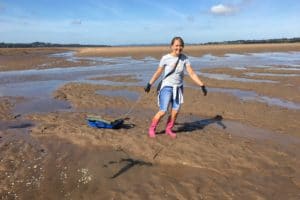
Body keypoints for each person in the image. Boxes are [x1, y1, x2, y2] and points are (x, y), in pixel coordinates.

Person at [144, 36, 207, 138]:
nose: (178, 48)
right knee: (163, 110)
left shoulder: (184, 58)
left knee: (175, 111)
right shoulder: (165, 58)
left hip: (178, 88)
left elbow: (191, 73)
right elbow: (158, 72)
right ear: (172, 46)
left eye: (181, 46)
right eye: (176, 45)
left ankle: (169, 129)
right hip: (167, 87)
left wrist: (202, 85)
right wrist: (149, 84)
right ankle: (152, 128)